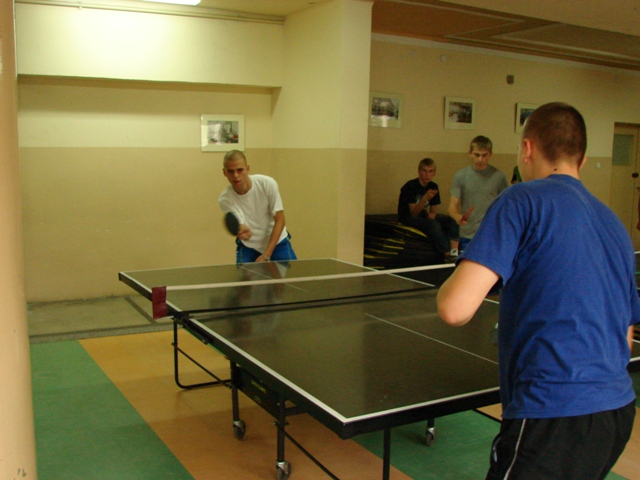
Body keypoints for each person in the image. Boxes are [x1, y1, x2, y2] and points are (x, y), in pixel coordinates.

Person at [437, 102, 638, 480]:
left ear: (527, 149)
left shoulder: (520, 199)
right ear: (582, 158)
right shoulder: (612, 222)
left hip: (552, 413)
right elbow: (625, 338)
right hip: (616, 412)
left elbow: (454, 308)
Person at [219, 150, 297, 264]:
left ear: (247, 169)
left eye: (240, 170)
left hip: (278, 243)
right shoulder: (225, 199)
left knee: (293, 274)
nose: (235, 175)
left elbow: (280, 220)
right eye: (230, 171)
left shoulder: (267, 184)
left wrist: (266, 255)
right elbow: (241, 225)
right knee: (242, 276)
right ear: (224, 172)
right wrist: (243, 231)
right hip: (249, 248)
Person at [448, 136, 508, 251]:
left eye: (484, 155)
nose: (480, 159)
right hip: (468, 233)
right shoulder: (461, 176)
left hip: (491, 234)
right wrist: (457, 216)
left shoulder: (499, 177)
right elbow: (452, 206)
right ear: (470, 153)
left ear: (490, 154)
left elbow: (506, 205)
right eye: (477, 155)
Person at [397, 158, 459, 262]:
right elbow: (413, 213)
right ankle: (447, 254)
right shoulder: (410, 186)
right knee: (433, 225)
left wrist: (432, 214)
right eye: (424, 171)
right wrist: (425, 198)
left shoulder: (433, 186)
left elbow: (433, 209)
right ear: (419, 171)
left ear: (434, 172)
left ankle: (454, 252)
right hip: (407, 217)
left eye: (431, 171)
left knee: (452, 221)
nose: (427, 175)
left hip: (422, 215)